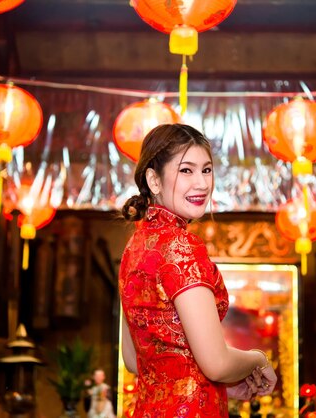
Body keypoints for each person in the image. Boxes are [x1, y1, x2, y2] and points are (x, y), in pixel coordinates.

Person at [118, 123, 277, 417]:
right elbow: (215, 362)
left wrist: (219, 384)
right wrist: (258, 360)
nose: (202, 184)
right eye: (186, 170)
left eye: (206, 170)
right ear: (154, 180)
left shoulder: (135, 247)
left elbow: (133, 359)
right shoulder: (181, 246)